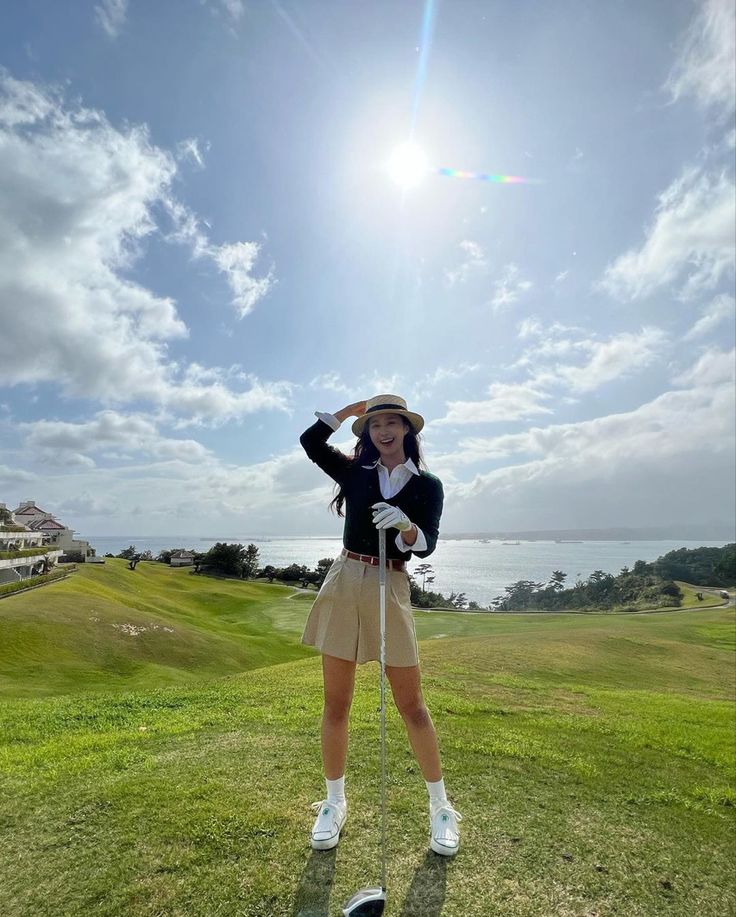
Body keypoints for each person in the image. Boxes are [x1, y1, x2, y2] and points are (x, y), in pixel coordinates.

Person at [299, 394, 462, 856]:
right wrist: (352, 410)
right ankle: (334, 803)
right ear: (368, 434)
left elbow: (425, 544)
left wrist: (406, 526)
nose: (384, 430)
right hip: (347, 577)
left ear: (408, 430)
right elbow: (311, 442)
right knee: (337, 703)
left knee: (412, 705)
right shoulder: (355, 472)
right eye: (376, 425)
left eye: (393, 422)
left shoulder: (428, 484)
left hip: (390, 584)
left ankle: (441, 807)